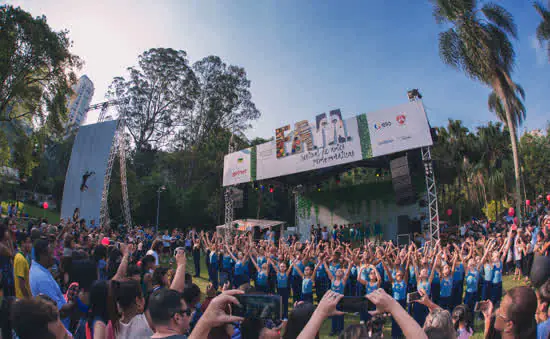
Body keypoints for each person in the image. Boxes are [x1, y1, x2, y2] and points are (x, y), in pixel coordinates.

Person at [14, 233, 32, 298]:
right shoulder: (20, 259)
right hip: (22, 299)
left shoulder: (23, 257)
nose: (31, 245)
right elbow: (21, 284)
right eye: (28, 242)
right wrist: (29, 299)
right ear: (22, 243)